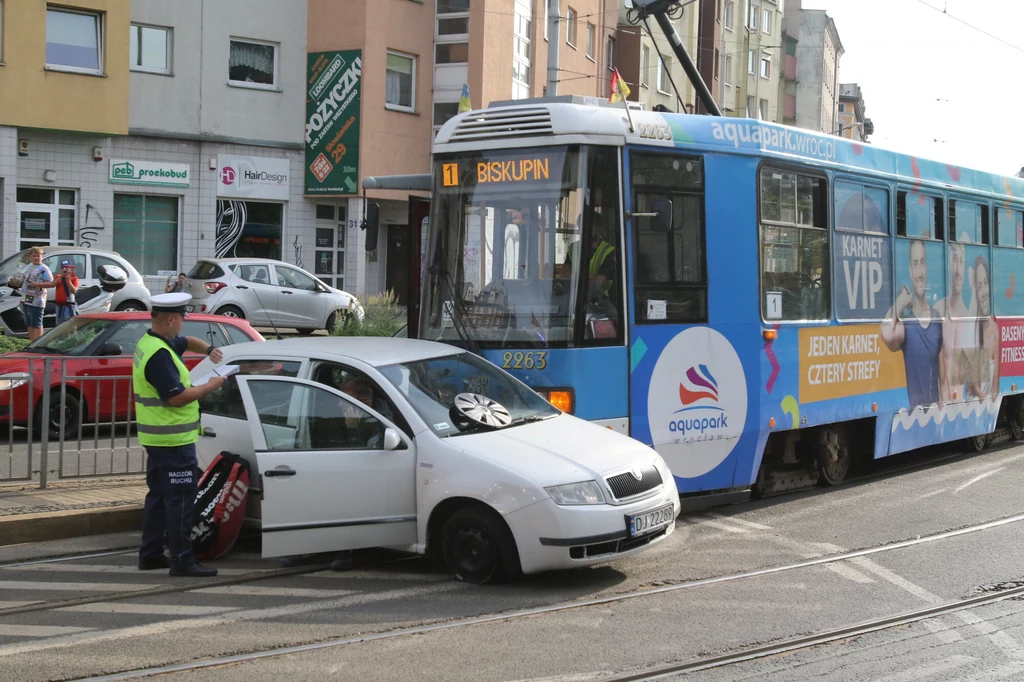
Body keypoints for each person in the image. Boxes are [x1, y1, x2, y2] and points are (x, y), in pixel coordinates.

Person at [134, 292, 227, 577]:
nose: (184, 326)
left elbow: (187, 343)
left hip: (158, 440)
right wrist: (211, 386)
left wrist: (209, 348)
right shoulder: (159, 356)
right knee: (181, 501)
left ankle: (150, 554)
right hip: (174, 442)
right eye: (183, 320)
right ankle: (182, 560)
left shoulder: (152, 342)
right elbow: (176, 398)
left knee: (160, 498)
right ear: (172, 319)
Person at [880, 239, 944, 409]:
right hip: (915, 416)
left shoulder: (938, 319)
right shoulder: (906, 325)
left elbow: (942, 371)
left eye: (922, 263)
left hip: (935, 413)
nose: (920, 272)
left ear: (927, 268)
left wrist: (944, 406)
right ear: (910, 271)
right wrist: (900, 302)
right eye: (915, 264)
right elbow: (886, 333)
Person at [20, 247, 53, 341]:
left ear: (42, 256)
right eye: (34, 255)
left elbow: (50, 283)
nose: (36, 258)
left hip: (37, 299)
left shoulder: (44, 269)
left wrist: (36, 284)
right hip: (26, 297)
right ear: (30, 257)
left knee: (36, 322)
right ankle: (31, 343)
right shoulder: (29, 266)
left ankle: (37, 343)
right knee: (29, 322)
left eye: (38, 255)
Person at [52, 259, 80, 324]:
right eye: (63, 268)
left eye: (67, 268)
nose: (65, 270)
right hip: (59, 305)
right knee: (58, 323)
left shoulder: (74, 278)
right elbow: (53, 285)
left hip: (68, 305)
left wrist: (68, 281)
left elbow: (74, 291)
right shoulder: (58, 277)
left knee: (67, 323)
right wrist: (61, 277)